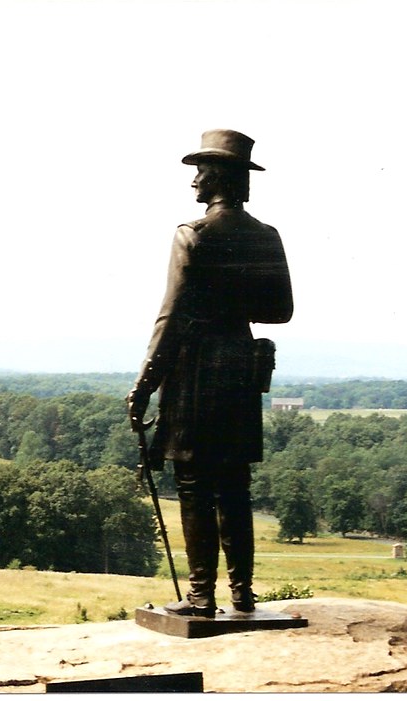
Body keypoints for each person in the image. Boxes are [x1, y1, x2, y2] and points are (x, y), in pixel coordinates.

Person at [126, 129, 293, 617]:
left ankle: (201, 596)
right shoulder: (266, 237)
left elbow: (171, 315)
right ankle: (242, 595)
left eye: (200, 170)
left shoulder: (193, 236)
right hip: (240, 367)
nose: (194, 180)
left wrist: (144, 385)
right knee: (235, 487)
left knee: (197, 485)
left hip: (197, 368)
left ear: (219, 175)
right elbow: (280, 310)